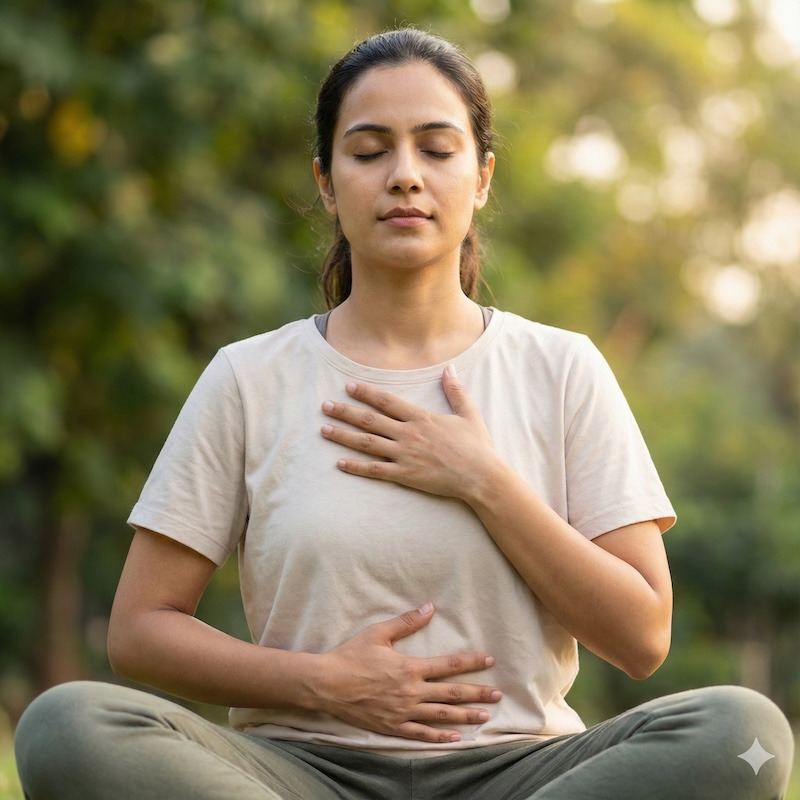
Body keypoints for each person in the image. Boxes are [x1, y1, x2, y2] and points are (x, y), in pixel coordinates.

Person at [15, 27, 794, 800]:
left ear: (482, 176)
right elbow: (140, 630)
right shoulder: (249, 378)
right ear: (326, 181)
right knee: (66, 726)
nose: (405, 176)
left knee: (745, 732)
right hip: (298, 773)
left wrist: (484, 480)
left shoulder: (562, 368)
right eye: (369, 150)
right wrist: (325, 685)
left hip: (518, 774)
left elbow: (642, 637)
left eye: (436, 147)